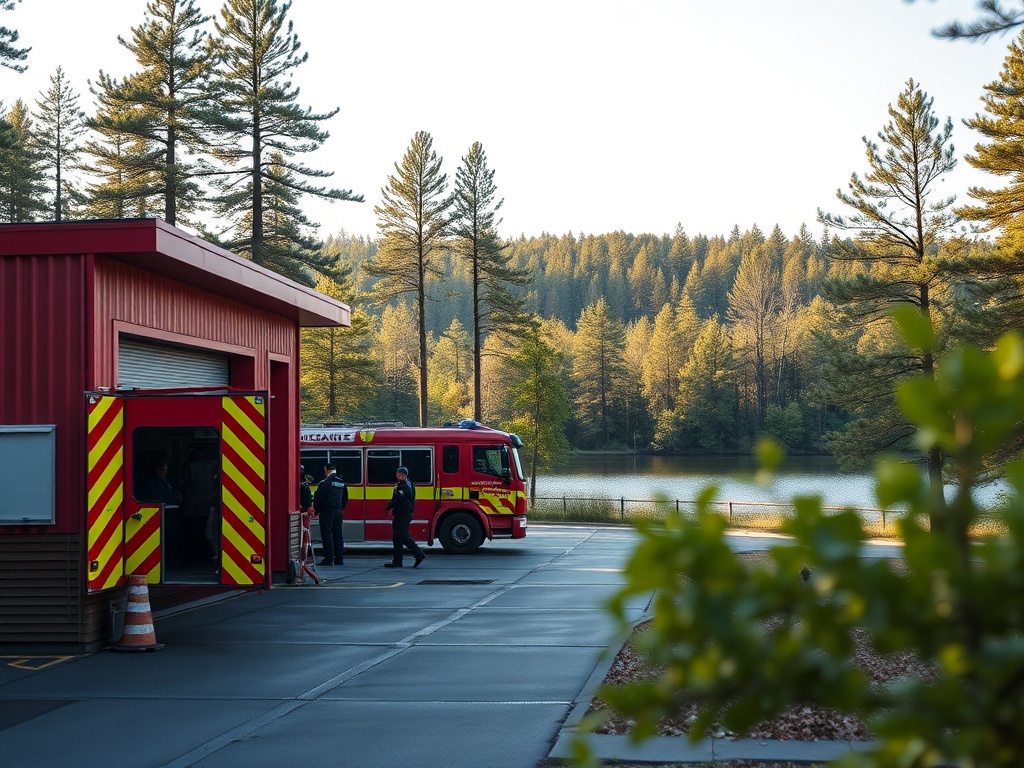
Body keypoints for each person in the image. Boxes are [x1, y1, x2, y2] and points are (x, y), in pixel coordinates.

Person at [384, 466, 425, 568]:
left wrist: (389, 506)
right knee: (401, 537)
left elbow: (398, 501)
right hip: (406, 514)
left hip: (401, 514)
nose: (397, 475)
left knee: (400, 537)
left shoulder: (402, 487)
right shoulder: (410, 483)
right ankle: (401, 559)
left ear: (404, 475)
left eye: (399, 474)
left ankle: (416, 555)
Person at [182, 447, 218, 561]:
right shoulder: (210, 467)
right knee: (205, 530)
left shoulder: (189, 467)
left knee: (191, 529)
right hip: (207, 502)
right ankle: (206, 554)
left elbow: (182, 481)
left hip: (190, 503)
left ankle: (192, 555)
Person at [313, 462, 348, 566]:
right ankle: (339, 559)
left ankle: (328, 558)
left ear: (326, 470)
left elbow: (319, 498)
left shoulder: (324, 483)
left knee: (327, 534)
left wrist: (317, 511)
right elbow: (345, 498)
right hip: (338, 511)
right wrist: (340, 508)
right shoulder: (341, 482)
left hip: (327, 511)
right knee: (338, 535)